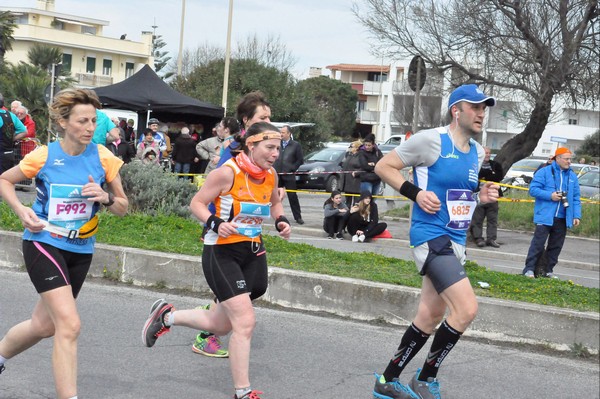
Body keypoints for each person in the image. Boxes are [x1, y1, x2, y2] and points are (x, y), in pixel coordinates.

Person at [141, 122, 291, 399]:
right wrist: (216, 222)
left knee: (221, 325)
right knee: (245, 322)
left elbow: (273, 203)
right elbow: (196, 203)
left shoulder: (270, 175)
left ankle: (167, 316)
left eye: (278, 148)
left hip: (253, 249)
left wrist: (281, 220)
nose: (274, 154)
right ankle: (243, 392)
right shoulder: (226, 173)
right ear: (252, 144)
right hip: (222, 251)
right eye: (269, 147)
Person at [372, 83, 499, 399]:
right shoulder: (430, 141)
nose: (482, 113)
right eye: (475, 107)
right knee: (466, 309)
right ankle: (426, 378)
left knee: (429, 315)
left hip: (456, 239)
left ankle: (387, 380)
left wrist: (479, 197)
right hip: (431, 237)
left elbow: (459, 197)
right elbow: (383, 166)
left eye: (484, 108)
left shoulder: (477, 153)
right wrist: (415, 194)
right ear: (457, 111)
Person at [0, 88, 128, 399]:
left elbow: (123, 207)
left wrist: (107, 198)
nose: (89, 127)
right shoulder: (44, 155)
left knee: (44, 326)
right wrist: (21, 210)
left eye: (93, 121)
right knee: (69, 325)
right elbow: (4, 179)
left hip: (81, 249)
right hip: (43, 241)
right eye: (82, 121)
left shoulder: (103, 157)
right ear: (62, 122)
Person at [522, 147, 581, 279]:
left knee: (556, 246)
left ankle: (548, 271)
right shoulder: (544, 172)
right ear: (558, 158)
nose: (569, 161)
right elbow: (533, 190)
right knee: (537, 244)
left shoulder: (572, 176)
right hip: (545, 216)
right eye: (566, 159)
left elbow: (576, 197)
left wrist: (576, 215)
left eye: (570, 159)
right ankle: (529, 269)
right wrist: (550, 195)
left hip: (563, 217)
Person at [470, 147, 503, 248]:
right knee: (477, 219)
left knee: (492, 219)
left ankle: (491, 239)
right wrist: (488, 174)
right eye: (485, 153)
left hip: (492, 196)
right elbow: (476, 176)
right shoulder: (475, 164)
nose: (487, 155)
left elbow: (498, 177)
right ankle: (478, 238)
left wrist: (485, 175)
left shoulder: (495, 165)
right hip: (478, 196)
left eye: (489, 153)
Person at [274, 125, 305, 224]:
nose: (281, 134)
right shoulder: (277, 143)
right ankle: (273, 215)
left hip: (289, 174)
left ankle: (298, 217)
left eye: (283, 132)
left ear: (289, 133)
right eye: (280, 132)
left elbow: (300, 160)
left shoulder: (295, 145)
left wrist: (292, 168)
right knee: (273, 195)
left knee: (292, 196)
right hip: (277, 174)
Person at [0, 94, 27, 174]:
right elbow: (24, 131)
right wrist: (11, 138)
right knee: (6, 181)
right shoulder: (10, 115)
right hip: (9, 154)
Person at [341, 140, 363, 207]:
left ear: (357, 148)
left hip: (356, 182)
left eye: (352, 146)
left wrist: (357, 173)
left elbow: (364, 167)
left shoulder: (361, 156)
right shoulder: (349, 155)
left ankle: (356, 216)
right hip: (347, 182)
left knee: (356, 203)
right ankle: (347, 215)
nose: (350, 148)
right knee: (347, 202)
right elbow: (344, 165)